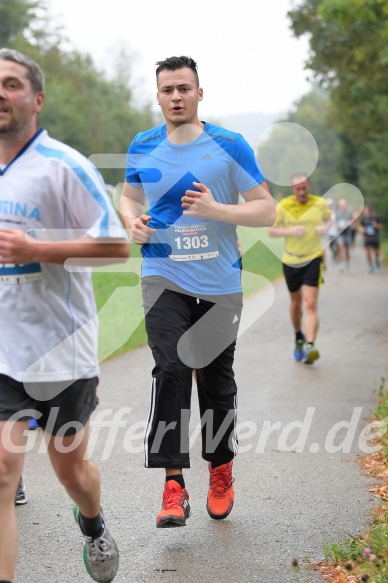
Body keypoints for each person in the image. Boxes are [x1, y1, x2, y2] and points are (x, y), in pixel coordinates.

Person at [120, 56, 275, 528]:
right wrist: (132, 222)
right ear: (158, 95)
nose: (176, 97)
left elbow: (266, 210)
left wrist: (215, 209)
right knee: (170, 368)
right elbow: (129, 196)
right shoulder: (143, 144)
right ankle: (172, 485)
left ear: (199, 94)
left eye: (184, 88)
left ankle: (221, 468)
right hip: (163, 278)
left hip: (219, 286)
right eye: (167, 90)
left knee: (214, 383)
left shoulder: (229, 144)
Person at [0, 48, 130, 583]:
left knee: (71, 473)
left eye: (10, 84)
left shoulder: (63, 165)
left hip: (63, 353)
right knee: (3, 474)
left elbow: (116, 246)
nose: (0, 93)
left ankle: (94, 525)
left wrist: (38, 248)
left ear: (37, 98)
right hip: (4, 351)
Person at [268, 173, 331, 364]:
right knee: (296, 303)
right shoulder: (284, 205)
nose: (302, 192)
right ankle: (298, 337)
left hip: (313, 258)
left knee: (310, 302)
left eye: (304, 187)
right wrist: (290, 231)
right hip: (291, 260)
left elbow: (328, 220)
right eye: (298, 189)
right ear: (292, 189)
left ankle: (310, 345)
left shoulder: (319, 203)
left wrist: (324, 227)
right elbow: (272, 230)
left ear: (308, 186)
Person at [359, 205, 384, 273]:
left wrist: (376, 225)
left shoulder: (376, 217)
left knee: (376, 251)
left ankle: (376, 260)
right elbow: (360, 227)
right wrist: (362, 230)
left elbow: (381, 226)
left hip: (375, 236)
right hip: (367, 237)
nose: (368, 212)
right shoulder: (364, 218)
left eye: (370, 211)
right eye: (367, 211)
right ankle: (370, 266)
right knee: (368, 251)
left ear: (372, 211)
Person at [335, 198, 354, 272]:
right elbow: (335, 222)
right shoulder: (337, 212)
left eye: (343, 205)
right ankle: (341, 264)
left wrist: (349, 222)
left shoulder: (349, 212)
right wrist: (337, 225)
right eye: (341, 205)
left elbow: (353, 221)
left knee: (346, 249)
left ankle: (347, 261)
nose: (342, 206)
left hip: (347, 233)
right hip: (340, 233)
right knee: (340, 248)